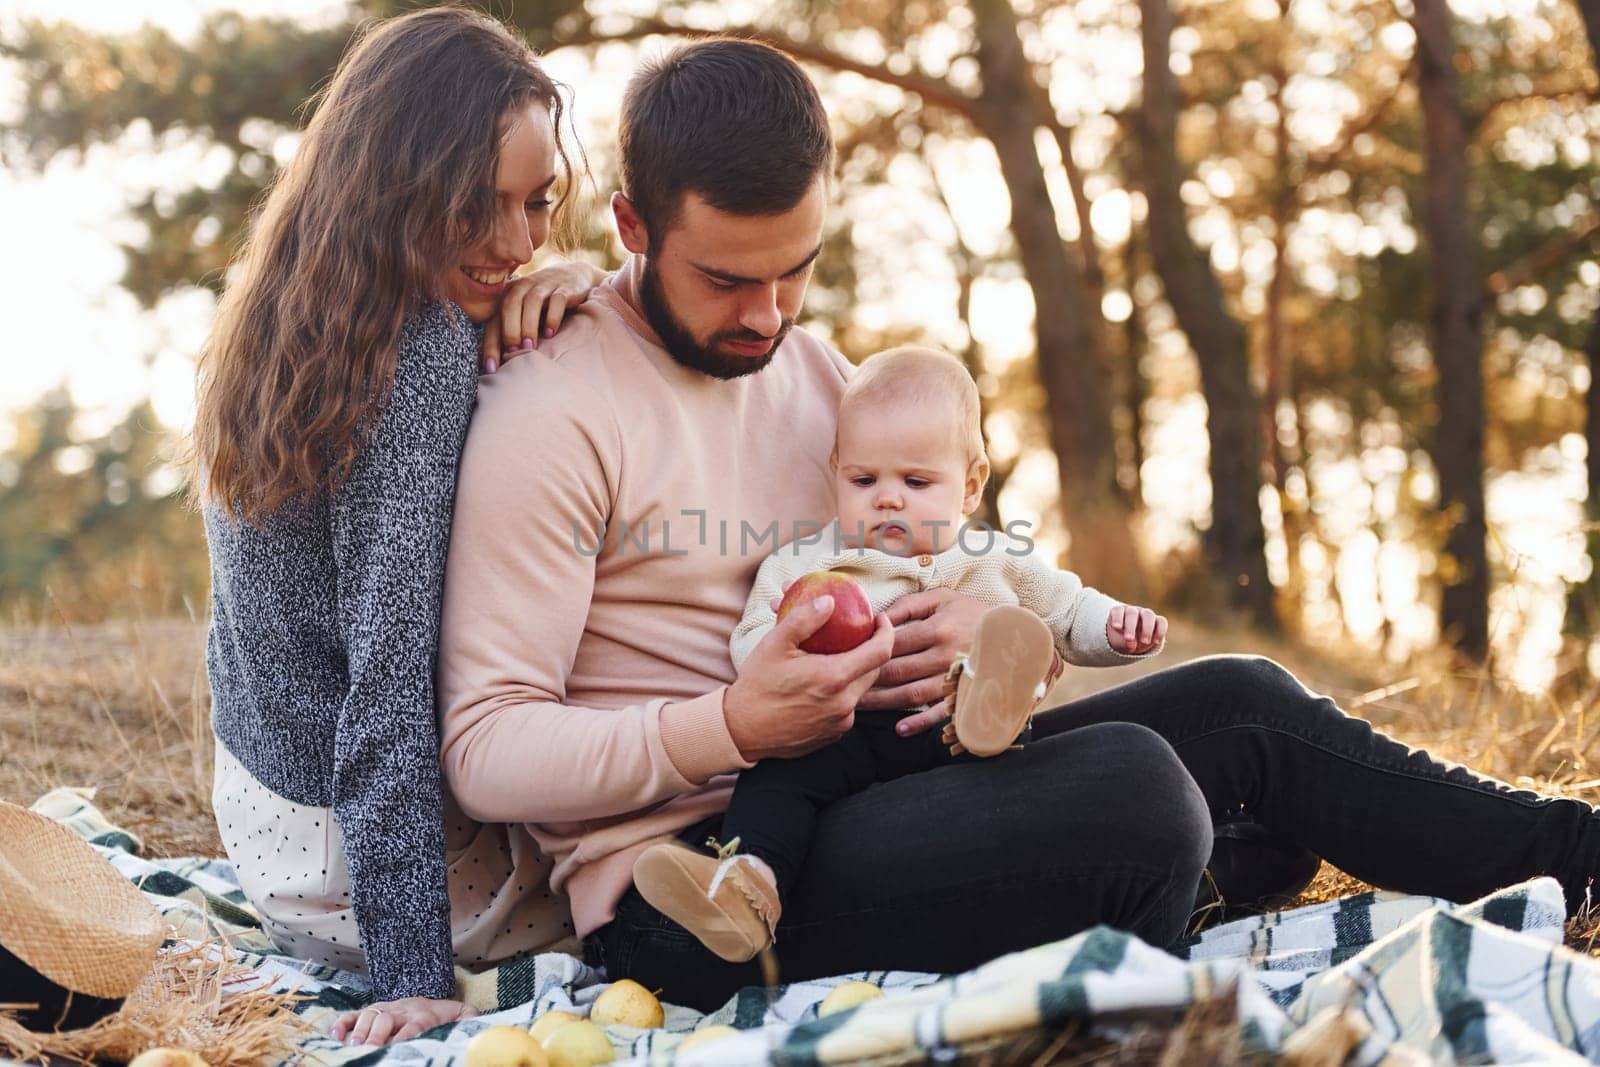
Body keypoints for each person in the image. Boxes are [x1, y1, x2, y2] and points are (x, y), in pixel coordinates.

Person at [437, 37, 1600, 1013]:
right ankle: (1197, 861)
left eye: (796, 271)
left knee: (1243, 700)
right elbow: (485, 750)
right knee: (1137, 794)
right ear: (634, 228)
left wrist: (985, 636)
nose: (769, 315)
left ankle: (1577, 862)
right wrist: (733, 720)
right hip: (696, 885)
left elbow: (931, 563)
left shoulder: (818, 376)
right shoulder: (550, 410)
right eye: (728, 280)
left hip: (883, 787)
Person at [193, 9, 604, 1045]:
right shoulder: (414, 358)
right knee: (660, 858)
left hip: (264, 814)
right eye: (479, 206)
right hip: (360, 853)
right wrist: (413, 971)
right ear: (399, 185)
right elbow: (385, 676)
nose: (514, 244)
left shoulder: (288, 309)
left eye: (538, 203)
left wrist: (583, 284)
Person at [630, 345, 1169, 962]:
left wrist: (1118, 630)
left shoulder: (993, 557)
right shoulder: (809, 563)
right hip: (844, 735)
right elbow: (752, 643)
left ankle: (990, 703)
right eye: (863, 481)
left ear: (969, 487)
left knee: (1007, 696)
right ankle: (750, 884)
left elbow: (1070, 614)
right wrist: (788, 654)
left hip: (954, 738)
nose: (887, 499)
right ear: (835, 471)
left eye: (915, 482)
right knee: (777, 778)